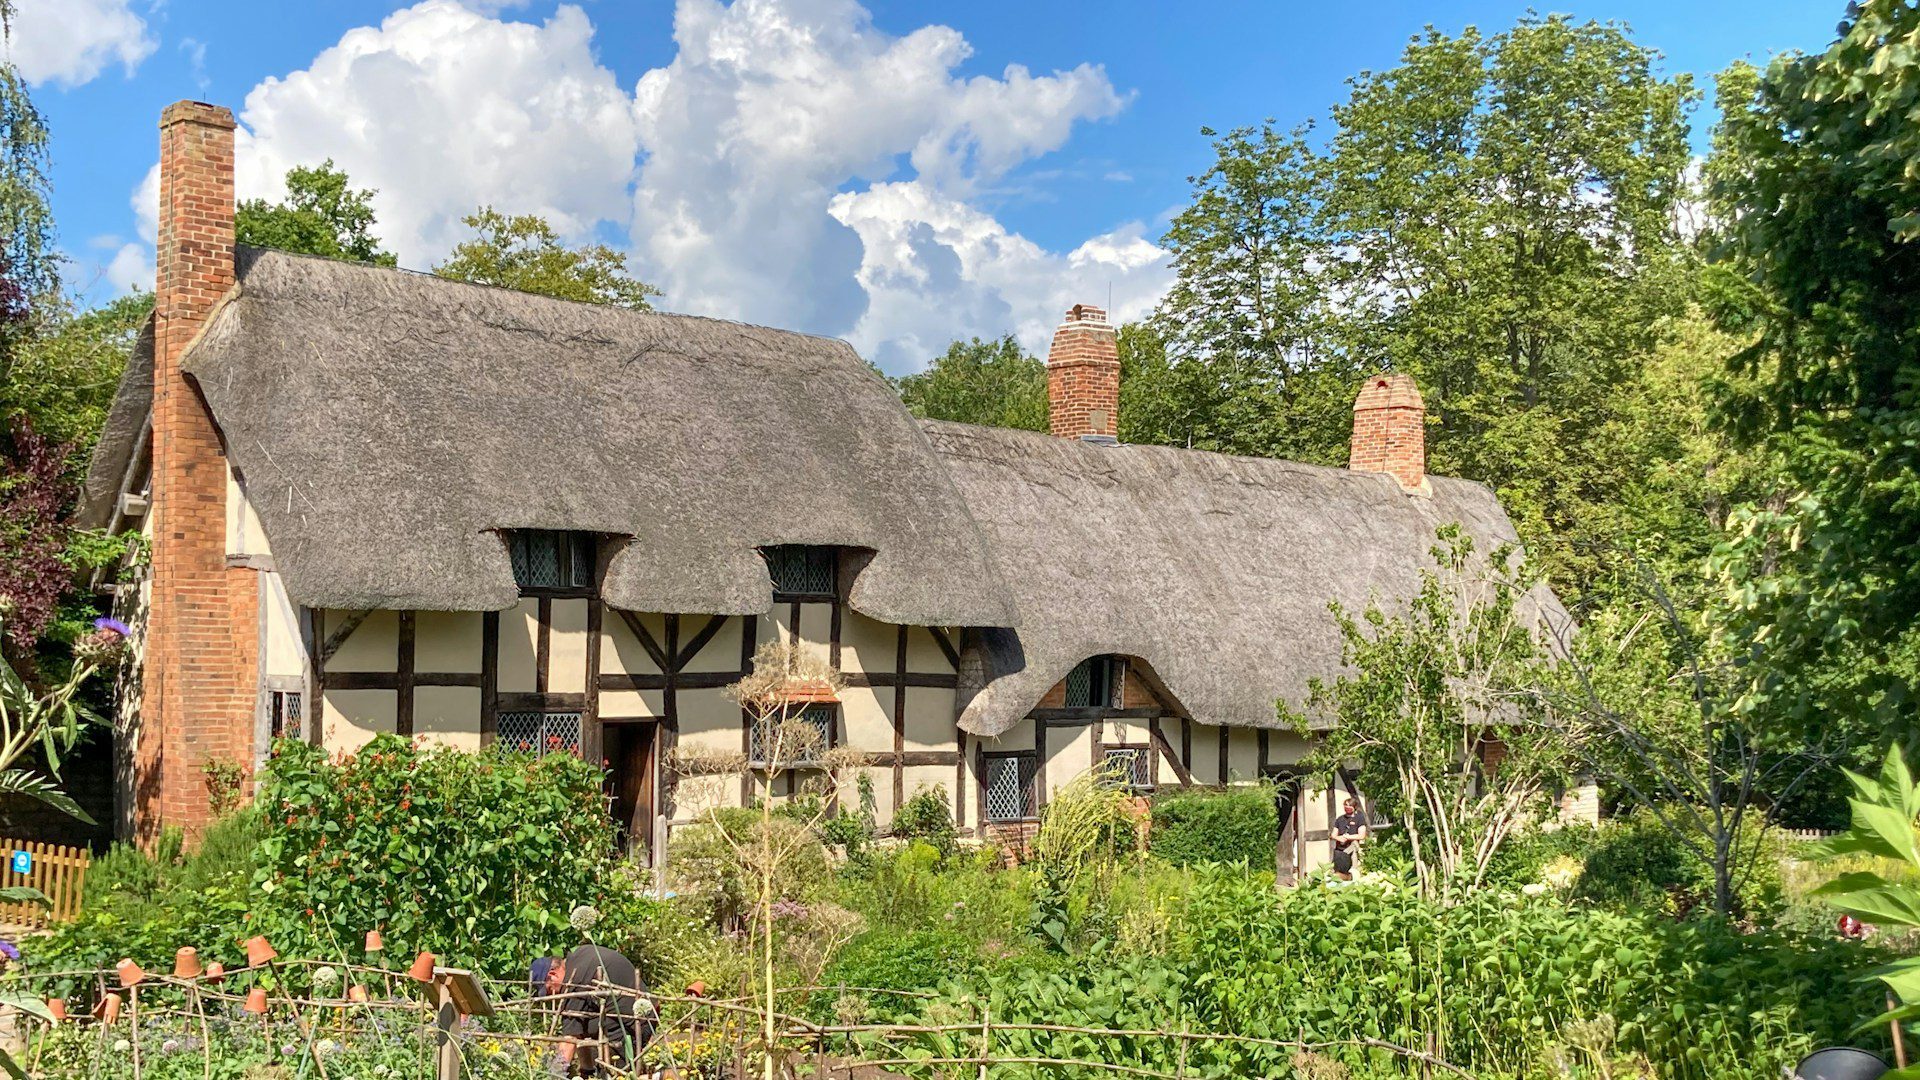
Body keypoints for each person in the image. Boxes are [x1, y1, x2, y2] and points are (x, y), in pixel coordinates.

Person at [537, 944, 653, 1076]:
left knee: (616, 1075)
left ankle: (657, 1077)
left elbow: (569, 1040)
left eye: (548, 990)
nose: (552, 996)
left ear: (553, 974)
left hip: (633, 1025)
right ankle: (588, 1071)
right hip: (645, 1010)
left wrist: (553, 1076)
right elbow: (580, 1028)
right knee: (585, 1023)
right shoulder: (580, 954)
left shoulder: (574, 982)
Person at [1330, 796, 1369, 882]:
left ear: (1354, 807)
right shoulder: (1340, 819)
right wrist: (1339, 838)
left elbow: (1361, 835)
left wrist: (1348, 837)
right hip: (1339, 850)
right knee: (1337, 870)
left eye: (1349, 806)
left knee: (1353, 870)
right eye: (1345, 805)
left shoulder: (1359, 818)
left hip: (1352, 848)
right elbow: (1333, 834)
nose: (1347, 808)